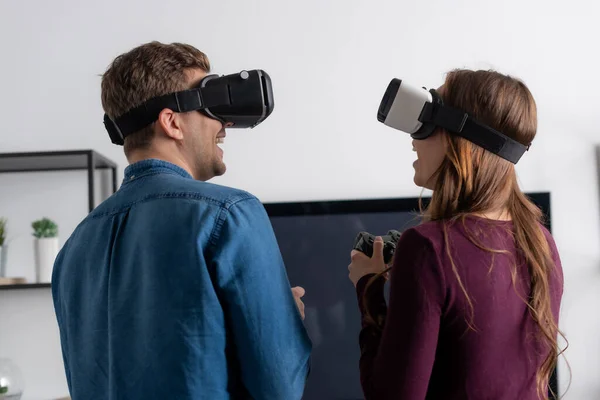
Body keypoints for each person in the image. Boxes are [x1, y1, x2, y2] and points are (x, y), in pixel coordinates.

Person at [51, 41, 311, 400]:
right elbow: (280, 387)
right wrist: (287, 323)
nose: (224, 124)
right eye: (211, 108)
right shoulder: (230, 213)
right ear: (171, 123)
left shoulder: (73, 249)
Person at [348, 69, 565, 399]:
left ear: (459, 139)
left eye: (427, 121)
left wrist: (369, 288)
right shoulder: (540, 241)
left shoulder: (428, 248)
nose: (413, 140)